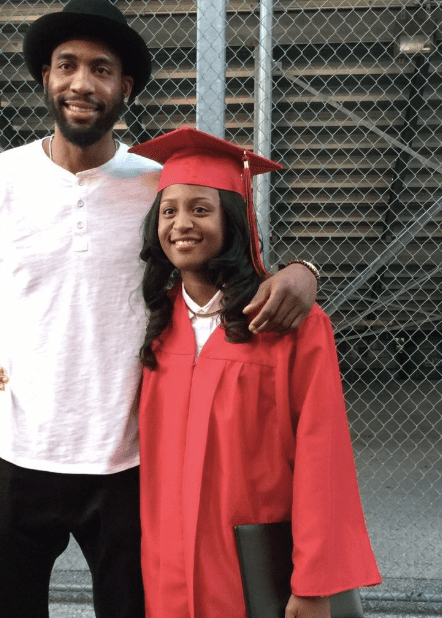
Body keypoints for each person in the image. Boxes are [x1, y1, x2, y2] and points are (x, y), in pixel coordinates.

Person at [0, 1, 319, 616]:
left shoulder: (156, 183)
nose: (82, 83)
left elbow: (233, 264)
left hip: (131, 462)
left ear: (125, 87)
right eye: (67, 66)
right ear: (45, 78)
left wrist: (305, 271)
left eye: (101, 69)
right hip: (13, 456)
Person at [132, 128, 381, 617]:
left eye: (200, 209)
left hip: (252, 571)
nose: (181, 223)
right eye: (169, 210)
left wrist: (313, 584)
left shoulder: (291, 325)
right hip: (168, 568)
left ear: (233, 220)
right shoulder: (155, 324)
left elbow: (322, 459)